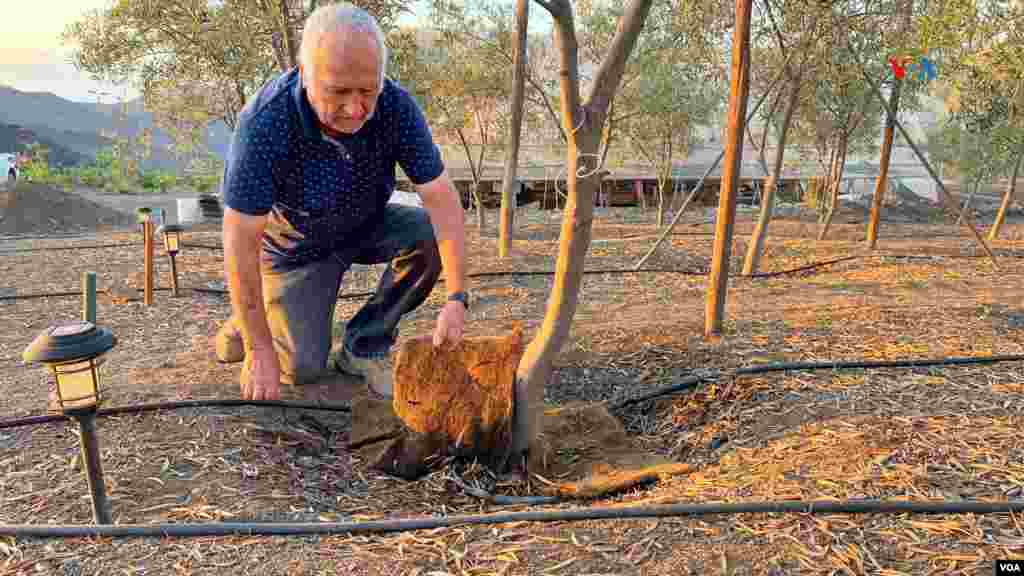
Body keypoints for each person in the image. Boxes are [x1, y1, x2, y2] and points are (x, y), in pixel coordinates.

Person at [213, 2, 469, 402]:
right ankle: (253, 317)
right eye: (337, 92)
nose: (355, 108)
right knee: (301, 370)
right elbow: (240, 237)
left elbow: (441, 198)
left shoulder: (396, 108)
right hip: (296, 250)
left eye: (367, 91)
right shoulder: (264, 123)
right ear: (305, 75)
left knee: (426, 234)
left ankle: (363, 345)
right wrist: (259, 348)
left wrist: (457, 297)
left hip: (365, 223)